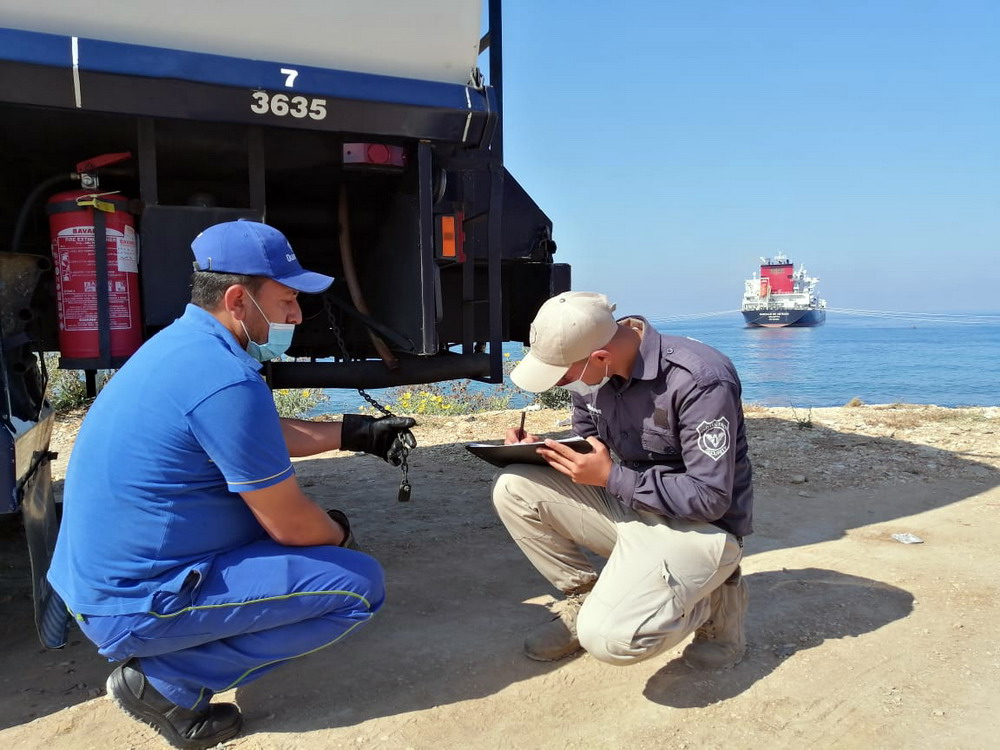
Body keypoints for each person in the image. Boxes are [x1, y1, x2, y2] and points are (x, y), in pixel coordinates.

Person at [47, 220, 417, 749]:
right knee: (357, 586)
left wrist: (355, 432)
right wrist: (339, 536)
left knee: (294, 540)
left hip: (100, 584)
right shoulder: (225, 378)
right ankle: (166, 683)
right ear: (239, 300)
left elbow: (250, 431)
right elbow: (291, 526)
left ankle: (174, 655)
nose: (297, 315)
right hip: (132, 602)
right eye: (288, 299)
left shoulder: (182, 348)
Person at [492, 291, 753, 668]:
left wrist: (612, 477)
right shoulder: (592, 375)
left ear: (600, 357)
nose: (561, 385)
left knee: (610, 640)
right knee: (514, 486)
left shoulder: (700, 380)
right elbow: (589, 441)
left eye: (563, 377)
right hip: (630, 503)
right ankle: (586, 596)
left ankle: (712, 604)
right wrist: (540, 451)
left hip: (700, 527)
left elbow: (710, 497)